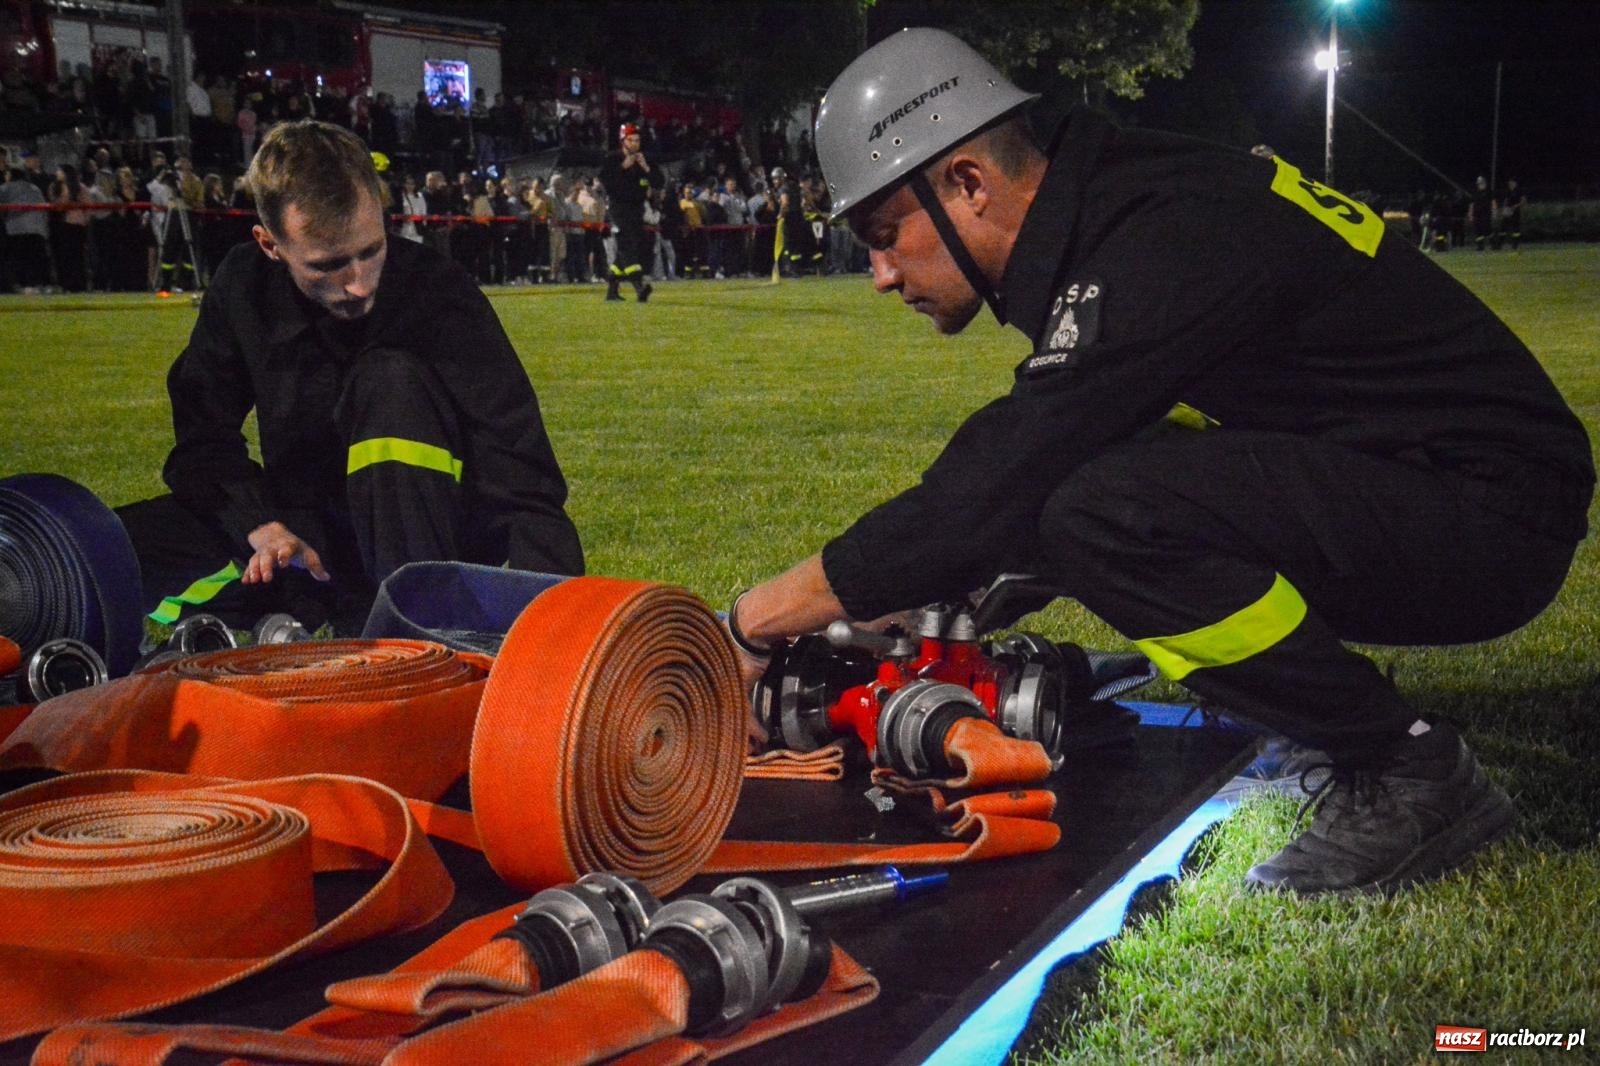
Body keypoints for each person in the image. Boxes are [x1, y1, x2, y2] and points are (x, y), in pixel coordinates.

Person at [724, 29, 1593, 896]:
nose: (880, 274)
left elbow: (996, 482)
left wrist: (752, 624)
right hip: (1445, 474)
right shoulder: (1126, 195)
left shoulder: (1153, 232)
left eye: (885, 234)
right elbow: (1062, 450)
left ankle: (1408, 768)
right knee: (1077, 490)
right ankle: (1290, 697)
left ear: (969, 182)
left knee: (1097, 513)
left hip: (1493, 517)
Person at [116, 120, 584, 635]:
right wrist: (261, 525)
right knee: (100, 550)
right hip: (306, 538)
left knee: (389, 380)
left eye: (371, 250)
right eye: (329, 265)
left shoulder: (437, 292)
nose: (359, 285)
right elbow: (202, 440)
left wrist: (553, 627)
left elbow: (522, 474)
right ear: (270, 245)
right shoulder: (244, 288)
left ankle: (409, 631)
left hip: (427, 540)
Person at [596, 122, 660, 302]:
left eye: (637, 140)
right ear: (623, 141)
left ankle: (612, 291)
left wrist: (647, 168)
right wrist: (622, 167)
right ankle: (639, 288)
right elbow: (606, 183)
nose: (635, 144)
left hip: (637, 210)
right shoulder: (612, 159)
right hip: (619, 210)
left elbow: (659, 182)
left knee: (628, 251)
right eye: (631, 140)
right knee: (626, 246)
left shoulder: (643, 159)